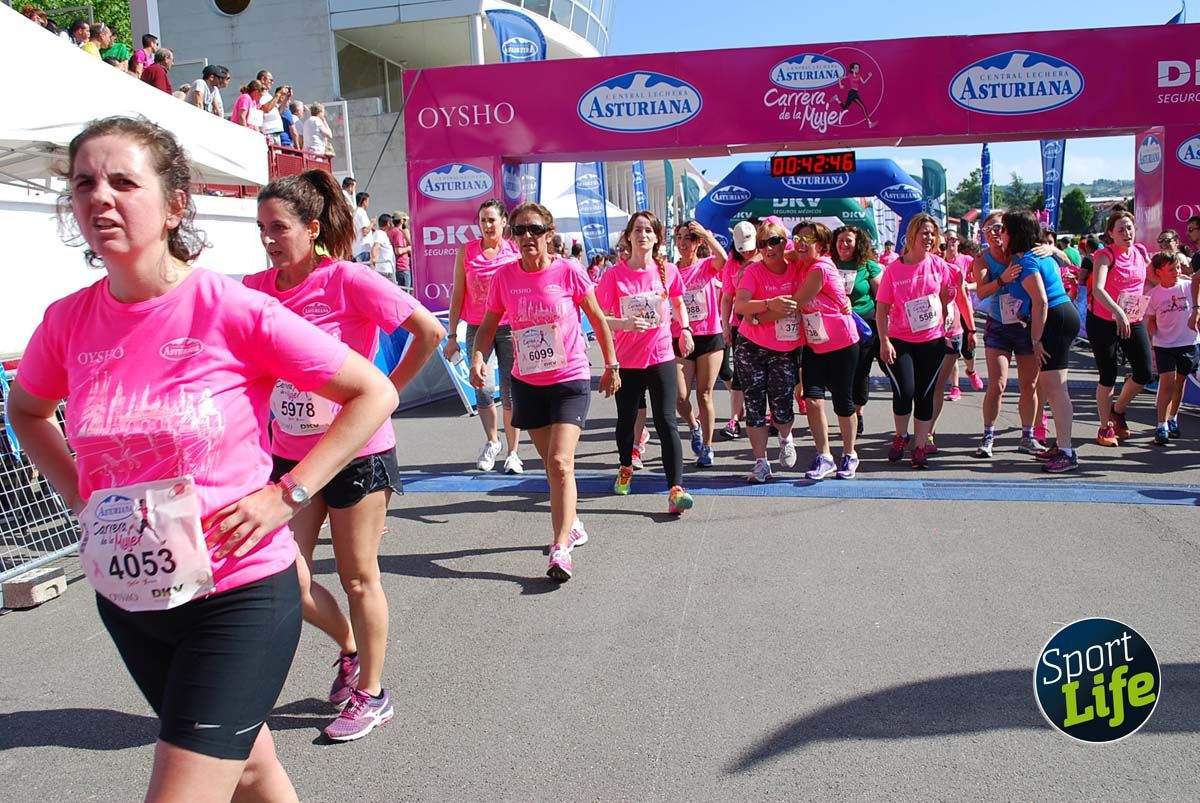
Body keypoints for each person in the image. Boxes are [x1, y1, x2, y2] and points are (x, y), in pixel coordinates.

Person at [8, 117, 397, 800]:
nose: (101, 197)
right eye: (84, 184)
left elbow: (372, 391)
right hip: (131, 597)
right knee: (250, 767)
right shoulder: (67, 321)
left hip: (239, 593)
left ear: (175, 204)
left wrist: (290, 493)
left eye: (124, 182)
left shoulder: (228, 306)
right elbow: (28, 410)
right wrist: (82, 499)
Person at [245, 169, 443, 742]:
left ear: (312, 228)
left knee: (359, 577)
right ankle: (352, 647)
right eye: (261, 228)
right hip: (293, 457)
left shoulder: (349, 281)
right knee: (288, 576)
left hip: (358, 452)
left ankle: (374, 694)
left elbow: (427, 331)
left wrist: (385, 397)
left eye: (279, 228)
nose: (268, 239)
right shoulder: (257, 288)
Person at [469, 203, 619, 581]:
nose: (526, 238)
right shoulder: (504, 277)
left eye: (533, 230)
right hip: (528, 382)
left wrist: (612, 364)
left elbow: (598, 319)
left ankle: (560, 548)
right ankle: (573, 521)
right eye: (518, 231)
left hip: (570, 378)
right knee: (553, 470)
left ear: (549, 234)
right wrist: (477, 358)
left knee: (559, 462)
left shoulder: (568, 271)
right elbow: (487, 327)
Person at [598, 212, 695, 513]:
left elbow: (677, 300)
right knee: (627, 421)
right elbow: (598, 319)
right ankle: (626, 466)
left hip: (661, 355)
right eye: (637, 230)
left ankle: (675, 489)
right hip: (627, 360)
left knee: (667, 421)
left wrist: (686, 328)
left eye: (648, 230)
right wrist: (624, 323)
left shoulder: (667, 271)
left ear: (656, 237)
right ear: (628, 236)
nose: (642, 234)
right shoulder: (614, 275)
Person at [444, 201, 524, 472]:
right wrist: (452, 334)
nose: (487, 226)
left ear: (504, 222)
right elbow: (458, 294)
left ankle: (513, 452)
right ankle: (492, 441)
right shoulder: (466, 252)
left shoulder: (514, 251)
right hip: (478, 328)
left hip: (510, 326)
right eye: (482, 221)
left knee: (511, 389)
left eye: (492, 220)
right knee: (482, 385)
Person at [1002, 211, 1082, 472]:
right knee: (1054, 388)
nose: (1001, 234)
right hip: (1061, 316)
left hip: (1055, 320)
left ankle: (1067, 451)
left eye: (1004, 229)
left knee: (1056, 389)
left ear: (1014, 233)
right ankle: (1062, 446)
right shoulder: (1036, 256)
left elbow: (1041, 301)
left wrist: (1035, 339)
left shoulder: (1028, 260)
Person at [875, 213, 957, 468]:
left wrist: (948, 312)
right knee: (905, 390)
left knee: (925, 394)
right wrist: (884, 341)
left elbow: (948, 295)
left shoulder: (939, 265)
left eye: (932, 233)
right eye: (924, 233)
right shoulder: (893, 269)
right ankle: (901, 436)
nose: (929, 238)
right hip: (901, 340)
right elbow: (882, 309)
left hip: (932, 340)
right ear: (911, 236)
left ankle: (920, 446)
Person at [731, 221, 802, 483]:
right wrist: (768, 304)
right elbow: (740, 304)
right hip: (751, 347)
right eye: (762, 244)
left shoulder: (797, 267)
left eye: (774, 241)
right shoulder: (753, 271)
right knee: (755, 407)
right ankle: (761, 462)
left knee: (782, 405)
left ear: (785, 242)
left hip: (784, 349)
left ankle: (786, 438)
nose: (768, 248)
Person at [971, 210, 1045, 457]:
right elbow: (980, 293)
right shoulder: (982, 260)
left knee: (1029, 384)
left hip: (1025, 326)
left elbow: (1055, 254)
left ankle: (1027, 436)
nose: (994, 233)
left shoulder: (1023, 253)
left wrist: (1053, 250)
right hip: (999, 326)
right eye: (988, 229)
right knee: (998, 384)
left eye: (999, 227)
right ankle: (988, 435)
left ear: (1008, 231)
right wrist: (1001, 280)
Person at [791, 222, 861, 479]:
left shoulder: (821, 267)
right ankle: (824, 456)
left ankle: (850, 454)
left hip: (842, 344)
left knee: (843, 403)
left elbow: (794, 302)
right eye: (797, 238)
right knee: (812, 400)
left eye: (806, 240)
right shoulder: (802, 262)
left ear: (820, 246)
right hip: (813, 343)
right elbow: (785, 252)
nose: (799, 243)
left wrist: (756, 313)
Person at [1088, 210, 1152, 446]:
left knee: (1145, 373)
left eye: (1129, 228)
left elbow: (1153, 278)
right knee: (1108, 375)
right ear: (1111, 234)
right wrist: (1118, 312)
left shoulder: (1140, 252)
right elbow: (1098, 288)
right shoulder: (1104, 256)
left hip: (1132, 319)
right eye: (1121, 229)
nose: (1127, 233)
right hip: (1104, 320)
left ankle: (1118, 410)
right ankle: (1105, 428)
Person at [670, 221, 728, 467]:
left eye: (690, 238)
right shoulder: (670, 270)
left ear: (698, 243)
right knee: (679, 395)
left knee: (704, 394)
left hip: (709, 337)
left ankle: (707, 446)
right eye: (680, 238)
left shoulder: (706, 266)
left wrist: (705, 234)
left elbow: (723, 259)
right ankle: (694, 426)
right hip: (681, 336)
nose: (684, 243)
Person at [833, 226, 882, 436]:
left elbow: (881, 298)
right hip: (837, 325)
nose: (844, 244)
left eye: (849, 241)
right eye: (840, 240)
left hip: (865, 325)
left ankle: (857, 411)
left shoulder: (868, 266)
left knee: (861, 370)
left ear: (857, 243)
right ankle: (845, 409)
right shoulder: (829, 265)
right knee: (841, 371)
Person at [1145, 253, 1198, 445]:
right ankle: (1161, 425)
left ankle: (1173, 417)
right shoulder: (1153, 295)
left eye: (1177, 268)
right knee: (1167, 382)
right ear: (1159, 272)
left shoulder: (1188, 286)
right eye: (1171, 269)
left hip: (1188, 342)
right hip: (1164, 344)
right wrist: (1152, 335)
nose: (1176, 272)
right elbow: (1151, 320)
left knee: (1180, 383)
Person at [719, 220, 759, 440]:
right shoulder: (731, 264)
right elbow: (727, 298)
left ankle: (771, 414)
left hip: (767, 323)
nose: (747, 252)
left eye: (751, 247)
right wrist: (725, 326)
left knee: (768, 373)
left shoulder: (768, 257)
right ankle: (735, 418)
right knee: (740, 373)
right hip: (740, 325)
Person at [940, 230, 983, 400]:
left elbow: (980, 282)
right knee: (952, 351)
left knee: (967, 350)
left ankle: (971, 371)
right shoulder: (940, 261)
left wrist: (967, 287)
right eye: (947, 240)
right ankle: (955, 387)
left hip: (964, 310)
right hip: (948, 313)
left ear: (959, 242)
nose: (950, 242)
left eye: (954, 239)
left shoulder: (966, 260)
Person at [832, 62, 876, 128]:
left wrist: (869, 77)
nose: (857, 69)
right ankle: (869, 123)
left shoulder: (859, 75)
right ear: (852, 69)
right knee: (862, 106)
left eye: (858, 67)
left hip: (855, 93)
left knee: (845, 107)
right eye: (856, 68)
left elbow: (863, 82)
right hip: (852, 93)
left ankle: (836, 99)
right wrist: (840, 84)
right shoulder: (850, 75)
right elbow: (840, 78)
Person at [388, 210, 413, 288]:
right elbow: (398, 251)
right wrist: (409, 248)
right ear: (402, 221)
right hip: (402, 267)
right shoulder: (398, 232)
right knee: (406, 293)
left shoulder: (391, 231)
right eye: (405, 220)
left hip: (397, 267)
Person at [368, 216, 396, 281]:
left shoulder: (381, 234)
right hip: (384, 272)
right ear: (388, 223)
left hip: (386, 271)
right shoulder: (380, 233)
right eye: (392, 222)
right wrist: (373, 262)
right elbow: (376, 246)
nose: (393, 224)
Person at [352, 193, 372, 262]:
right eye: (368, 201)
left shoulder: (355, 212)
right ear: (364, 202)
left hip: (356, 250)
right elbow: (365, 231)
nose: (368, 203)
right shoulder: (362, 212)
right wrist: (372, 223)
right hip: (363, 249)